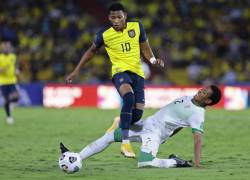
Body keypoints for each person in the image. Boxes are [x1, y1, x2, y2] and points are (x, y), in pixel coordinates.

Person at [65, 2, 164, 158]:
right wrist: (76, 70)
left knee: (136, 115)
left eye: (119, 17)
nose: (116, 20)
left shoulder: (137, 27)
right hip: (119, 72)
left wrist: (152, 61)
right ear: (109, 18)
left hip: (137, 73)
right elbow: (91, 52)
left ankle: (118, 122)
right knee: (128, 97)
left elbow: (145, 47)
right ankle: (125, 144)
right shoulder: (104, 34)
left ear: (125, 15)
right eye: (113, 17)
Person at [60, 85, 222, 168]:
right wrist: (171, 132)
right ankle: (78, 157)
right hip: (145, 125)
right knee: (110, 136)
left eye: (204, 93)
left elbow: (198, 140)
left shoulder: (197, 114)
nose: (200, 91)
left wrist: (197, 163)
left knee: (146, 163)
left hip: (154, 133)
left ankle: (176, 163)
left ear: (208, 101)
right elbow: (179, 122)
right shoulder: (188, 97)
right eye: (202, 89)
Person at [0, 41, 19, 124]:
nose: (7, 49)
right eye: (6, 47)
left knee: (16, 97)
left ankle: (11, 104)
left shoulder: (13, 56)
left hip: (12, 80)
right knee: (6, 99)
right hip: (3, 82)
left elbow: (15, 65)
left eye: (9, 47)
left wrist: (16, 70)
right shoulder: (0, 58)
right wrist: (3, 69)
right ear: (2, 49)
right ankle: (9, 117)